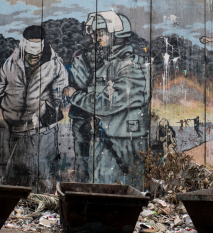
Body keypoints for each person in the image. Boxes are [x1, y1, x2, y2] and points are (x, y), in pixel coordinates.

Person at [64, 11, 150, 186]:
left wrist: (75, 96)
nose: (96, 39)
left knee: (119, 190)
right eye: (94, 34)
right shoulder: (110, 64)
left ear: (117, 35)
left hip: (123, 142)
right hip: (109, 138)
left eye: (101, 34)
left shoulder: (129, 65)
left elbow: (108, 102)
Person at [0, 25, 69, 190]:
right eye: (31, 50)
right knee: (15, 176)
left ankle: (43, 204)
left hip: (42, 130)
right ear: (23, 45)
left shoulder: (54, 65)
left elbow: (61, 95)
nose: (35, 55)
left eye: (38, 49)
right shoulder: (10, 64)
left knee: (41, 176)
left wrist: (45, 113)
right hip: (15, 129)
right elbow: (0, 89)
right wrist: (9, 112)